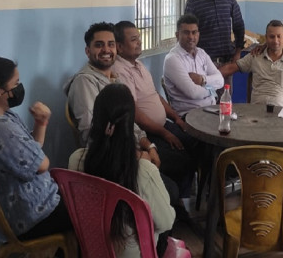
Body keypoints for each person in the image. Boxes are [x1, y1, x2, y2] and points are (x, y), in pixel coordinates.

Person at [0, 57, 72, 243]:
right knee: (92, 214)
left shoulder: (0, 118)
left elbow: (32, 150)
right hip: (32, 214)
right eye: (16, 83)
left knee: (85, 200)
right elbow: (42, 164)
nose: (19, 88)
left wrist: (41, 122)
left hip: (34, 203)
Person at [83, 84, 175, 257]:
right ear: (130, 123)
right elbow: (166, 222)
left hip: (93, 248)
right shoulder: (143, 170)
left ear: (96, 117)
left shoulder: (78, 160)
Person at [112, 20, 198, 199]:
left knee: (197, 141)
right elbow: (134, 113)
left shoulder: (139, 64)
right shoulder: (119, 71)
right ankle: (179, 203)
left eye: (139, 38)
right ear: (119, 47)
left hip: (162, 125)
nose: (140, 42)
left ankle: (196, 195)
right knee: (183, 160)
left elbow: (156, 96)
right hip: (147, 133)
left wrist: (177, 118)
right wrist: (166, 134)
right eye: (134, 39)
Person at [63, 22, 159, 161]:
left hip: (130, 149)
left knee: (180, 161)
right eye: (99, 45)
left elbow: (129, 121)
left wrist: (148, 146)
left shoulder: (114, 79)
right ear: (88, 51)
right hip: (109, 159)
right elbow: (92, 134)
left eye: (111, 44)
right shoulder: (84, 82)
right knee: (174, 173)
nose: (106, 50)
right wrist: (138, 156)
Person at [185, 0, 245, 93]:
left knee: (225, 102)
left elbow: (239, 26)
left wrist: (237, 53)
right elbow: (187, 33)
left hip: (227, 62)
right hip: (204, 64)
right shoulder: (193, 2)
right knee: (207, 103)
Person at [219, 20, 283, 106]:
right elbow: (231, 68)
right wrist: (209, 77)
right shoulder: (255, 57)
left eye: (279, 36)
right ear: (266, 38)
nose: (275, 41)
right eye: (272, 36)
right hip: (256, 113)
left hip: (281, 114)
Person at [163, 14, 225, 116]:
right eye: (186, 33)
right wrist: (212, 89)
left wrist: (202, 80)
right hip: (190, 115)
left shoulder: (201, 53)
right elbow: (193, 93)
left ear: (198, 34)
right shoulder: (172, 59)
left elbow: (220, 80)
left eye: (194, 32)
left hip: (211, 110)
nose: (191, 37)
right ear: (177, 35)